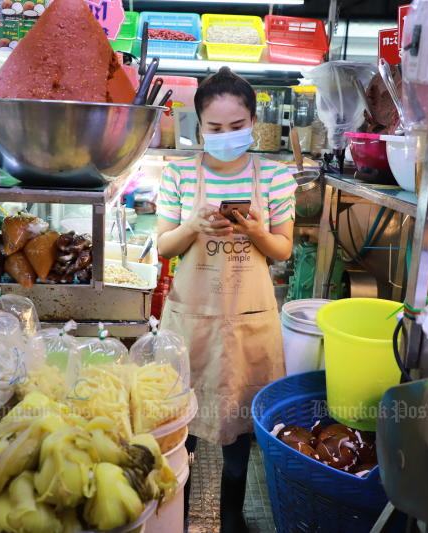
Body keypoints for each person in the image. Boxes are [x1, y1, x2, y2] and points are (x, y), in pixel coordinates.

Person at [156, 67, 297, 532]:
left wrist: (256, 230)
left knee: (239, 427)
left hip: (249, 324)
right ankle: (179, 511)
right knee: (183, 426)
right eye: (214, 128)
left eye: (236, 126)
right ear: (199, 128)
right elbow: (163, 246)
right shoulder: (178, 173)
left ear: (253, 123)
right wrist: (194, 227)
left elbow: (282, 250)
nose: (226, 135)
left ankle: (231, 514)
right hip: (190, 323)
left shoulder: (275, 177)